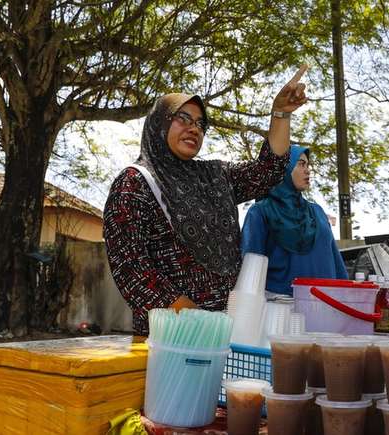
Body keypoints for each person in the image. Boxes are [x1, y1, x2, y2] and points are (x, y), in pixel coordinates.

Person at [104, 66, 308, 335]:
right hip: (172, 340)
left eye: (200, 124)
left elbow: (267, 171)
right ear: (159, 123)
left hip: (229, 336)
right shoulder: (135, 183)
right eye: (183, 119)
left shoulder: (215, 176)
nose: (194, 129)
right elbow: (131, 268)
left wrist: (280, 114)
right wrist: (199, 322)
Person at [241, 145, 347, 296]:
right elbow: (250, 270)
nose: (308, 170)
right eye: (301, 164)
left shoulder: (317, 212)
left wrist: (346, 298)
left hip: (326, 306)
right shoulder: (260, 212)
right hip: (281, 310)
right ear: (283, 168)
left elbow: (337, 265)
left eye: (308, 165)